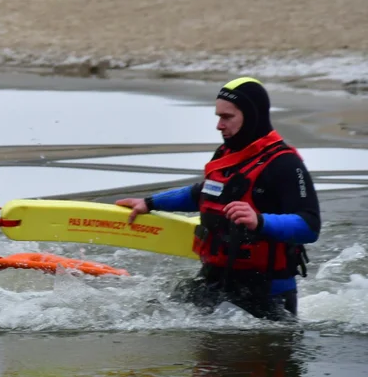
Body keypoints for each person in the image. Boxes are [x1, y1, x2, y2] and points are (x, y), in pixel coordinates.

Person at [116, 77, 320, 321]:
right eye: (218, 117)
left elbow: (310, 226)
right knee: (148, 315)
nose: (219, 126)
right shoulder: (226, 154)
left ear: (251, 115)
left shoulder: (285, 164)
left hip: (268, 295)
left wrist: (260, 221)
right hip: (215, 281)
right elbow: (204, 193)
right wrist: (150, 203)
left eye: (227, 117)